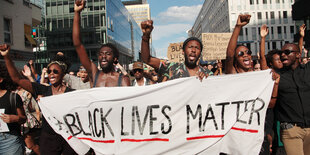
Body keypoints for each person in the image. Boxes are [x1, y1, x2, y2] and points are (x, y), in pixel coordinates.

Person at [0, 44, 78, 154]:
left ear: (63, 73)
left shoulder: (72, 94)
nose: (51, 74)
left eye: (55, 71)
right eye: (49, 71)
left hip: (69, 139)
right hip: (49, 140)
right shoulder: (42, 90)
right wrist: (6, 56)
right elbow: (16, 79)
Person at [73, 0, 130, 87]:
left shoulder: (123, 79)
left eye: (107, 54)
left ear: (115, 59)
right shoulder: (94, 74)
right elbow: (78, 45)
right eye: (101, 54)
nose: (103, 56)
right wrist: (77, 12)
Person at [140, 20, 207, 81]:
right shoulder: (171, 67)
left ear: (200, 53)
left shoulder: (208, 73)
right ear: (183, 51)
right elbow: (147, 60)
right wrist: (145, 37)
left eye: (197, 48)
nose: (193, 50)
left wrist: (207, 79)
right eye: (190, 47)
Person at [275, 42, 310, 155]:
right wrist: (262, 39)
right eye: (281, 53)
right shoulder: (277, 75)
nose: (283, 55)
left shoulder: (307, 71)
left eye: (287, 52)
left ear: (298, 55)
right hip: (291, 130)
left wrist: (301, 37)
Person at [0, 62, 26, 155]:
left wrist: (15, 118)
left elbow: (23, 118)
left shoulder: (13, 97)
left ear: (1, 79)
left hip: (9, 141)